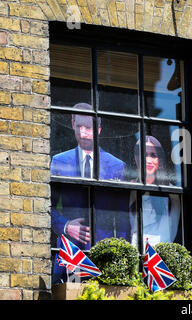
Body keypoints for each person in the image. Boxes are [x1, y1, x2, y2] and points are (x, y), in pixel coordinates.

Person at [50, 103, 130, 283]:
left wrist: (120, 260)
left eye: (89, 127)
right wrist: (65, 225)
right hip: (69, 257)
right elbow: (46, 206)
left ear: (99, 129)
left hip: (103, 258)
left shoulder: (116, 166)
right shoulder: (60, 161)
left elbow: (124, 220)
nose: (83, 132)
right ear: (72, 124)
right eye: (79, 126)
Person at [129, 136, 181, 247]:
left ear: (160, 160)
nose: (148, 160)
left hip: (159, 256)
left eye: (153, 155)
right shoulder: (130, 188)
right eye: (144, 155)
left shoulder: (171, 193)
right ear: (136, 158)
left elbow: (172, 230)